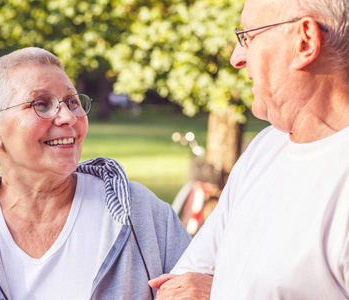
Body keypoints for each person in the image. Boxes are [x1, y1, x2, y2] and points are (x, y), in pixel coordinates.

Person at [0, 47, 191, 300]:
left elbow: (212, 287)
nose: (68, 117)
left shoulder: (140, 212)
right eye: (41, 104)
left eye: (72, 102)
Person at [149, 0, 349, 298]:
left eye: (248, 37)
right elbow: (186, 282)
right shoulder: (266, 147)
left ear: (305, 41)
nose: (236, 57)